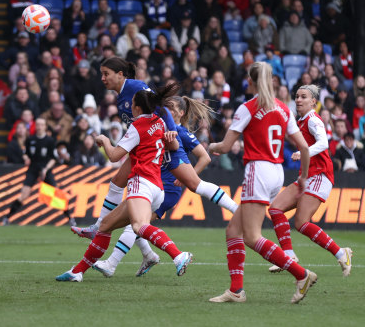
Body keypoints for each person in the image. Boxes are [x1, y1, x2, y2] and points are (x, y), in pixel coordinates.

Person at [71, 57, 238, 241]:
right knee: (118, 181)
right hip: (146, 145)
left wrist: (172, 132)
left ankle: (236, 211)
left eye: (106, 74)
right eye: (102, 74)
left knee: (194, 184)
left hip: (163, 143)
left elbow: (162, 108)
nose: (103, 78)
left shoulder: (135, 87)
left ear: (120, 74)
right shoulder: (121, 97)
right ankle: (99, 226)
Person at [56, 85, 194, 282]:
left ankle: (178, 255)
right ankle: (77, 272)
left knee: (138, 226)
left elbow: (114, 156)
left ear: (136, 109)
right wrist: (170, 137)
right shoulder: (161, 122)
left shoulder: (137, 127)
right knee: (105, 225)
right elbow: (173, 145)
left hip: (142, 182)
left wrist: (104, 139)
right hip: (157, 188)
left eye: (132, 105)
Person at [208, 62, 317, 304]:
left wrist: (211, 146)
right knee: (233, 231)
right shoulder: (282, 108)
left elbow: (225, 147)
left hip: (257, 169)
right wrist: (303, 177)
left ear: (252, 81)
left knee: (252, 236)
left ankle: (301, 274)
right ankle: (236, 291)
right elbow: (304, 148)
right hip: (277, 171)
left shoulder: (247, 108)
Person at [93, 95, 213, 277]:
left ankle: (112, 263)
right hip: (153, 183)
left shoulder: (180, 133)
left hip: (166, 187)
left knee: (136, 224)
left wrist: (189, 177)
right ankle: (148, 255)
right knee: (137, 223)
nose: (168, 111)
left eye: (172, 108)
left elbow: (205, 157)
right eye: (166, 107)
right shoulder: (161, 127)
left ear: (181, 113)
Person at [268, 85, 352, 274]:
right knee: (275, 209)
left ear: (314, 101)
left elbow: (323, 143)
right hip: (307, 175)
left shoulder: (313, 119)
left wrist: (302, 152)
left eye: (303, 97)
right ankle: (289, 255)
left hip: (321, 174)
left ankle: (340, 254)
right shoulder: (302, 120)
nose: (298, 99)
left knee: (301, 223)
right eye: (297, 96)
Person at [1, 118, 73, 225]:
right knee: (24, 194)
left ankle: (70, 218)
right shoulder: (31, 140)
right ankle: (7, 217)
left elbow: (53, 158)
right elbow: (26, 153)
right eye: (37, 124)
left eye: (41, 125)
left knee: (57, 194)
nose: (39, 127)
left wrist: (46, 169)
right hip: (33, 169)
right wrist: (25, 157)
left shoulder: (50, 141)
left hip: (46, 169)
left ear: (45, 126)